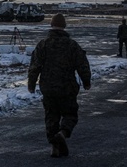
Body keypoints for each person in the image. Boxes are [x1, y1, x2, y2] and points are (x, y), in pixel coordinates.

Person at [27, 13, 92, 158]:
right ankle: (62, 133)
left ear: (51, 25)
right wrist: (86, 81)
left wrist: (31, 84)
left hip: (48, 87)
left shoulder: (42, 44)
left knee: (51, 116)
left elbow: (34, 67)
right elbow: (82, 65)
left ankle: (54, 147)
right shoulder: (72, 45)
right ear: (64, 26)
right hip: (67, 87)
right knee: (70, 114)